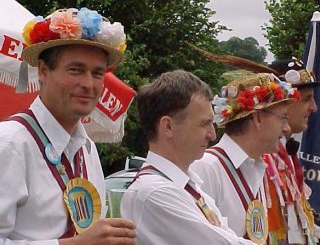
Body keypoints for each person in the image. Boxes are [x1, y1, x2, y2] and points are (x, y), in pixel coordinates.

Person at [0, 8, 136, 245]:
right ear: (43, 71)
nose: (88, 84)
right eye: (76, 70)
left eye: (97, 73)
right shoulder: (10, 143)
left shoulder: (88, 149)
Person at [121, 69, 257, 245]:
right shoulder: (156, 192)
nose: (212, 135)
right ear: (168, 126)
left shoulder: (187, 186)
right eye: (204, 124)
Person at [190, 72, 301, 244]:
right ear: (257, 118)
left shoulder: (258, 168)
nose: (287, 128)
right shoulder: (206, 168)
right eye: (283, 118)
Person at [262, 58, 320, 244]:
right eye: (307, 99)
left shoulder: (285, 155)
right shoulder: (257, 160)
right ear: (284, 103)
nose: (314, 108)